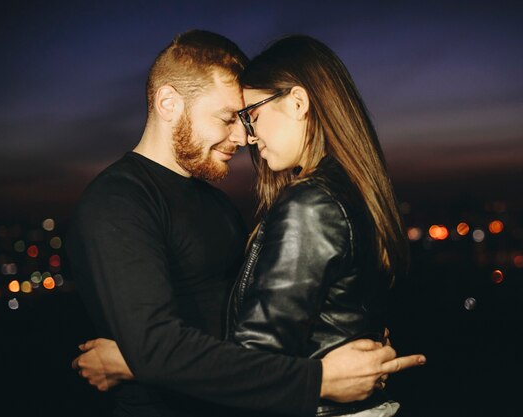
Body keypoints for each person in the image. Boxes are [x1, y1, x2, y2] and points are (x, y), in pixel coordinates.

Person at [67, 30, 425, 417]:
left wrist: (135, 360)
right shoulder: (118, 201)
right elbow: (159, 345)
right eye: (229, 119)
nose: (243, 137)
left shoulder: (217, 203)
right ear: (168, 103)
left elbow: (258, 314)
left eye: (247, 118)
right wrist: (316, 378)